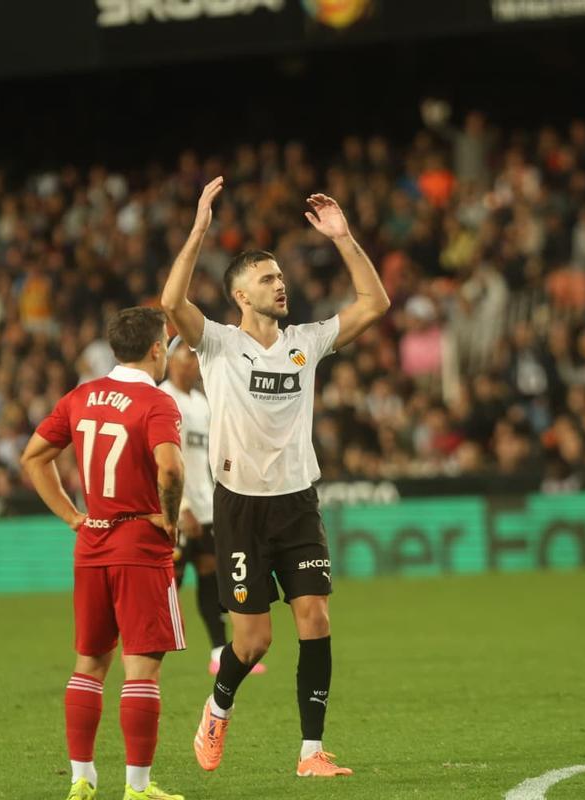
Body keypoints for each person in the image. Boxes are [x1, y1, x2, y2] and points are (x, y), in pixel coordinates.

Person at [161, 177, 390, 778]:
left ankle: (312, 752)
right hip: (240, 508)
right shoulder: (215, 344)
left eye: (281, 276)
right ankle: (218, 707)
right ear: (240, 294)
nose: (280, 284)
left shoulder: (306, 343)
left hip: (297, 503)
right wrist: (199, 229)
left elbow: (375, 305)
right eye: (267, 278)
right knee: (253, 642)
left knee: (315, 617)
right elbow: (171, 303)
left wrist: (344, 238)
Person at [19, 307, 187, 800]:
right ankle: (137, 787)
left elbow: (33, 456)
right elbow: (171, 469)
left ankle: (82, 779)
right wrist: (171, 518)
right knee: (142, 668)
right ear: (156, 348)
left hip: (91, 544)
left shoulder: (81, 396)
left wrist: (73, 516)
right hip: (139, 544)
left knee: (89, 663)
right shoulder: (156, 402)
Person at [159, 337, 268, 678]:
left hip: (207, 506)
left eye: (195, 356)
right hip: (177, 508)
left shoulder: (201, 403)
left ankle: (219, 651)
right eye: (185, 355)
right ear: (170, 359)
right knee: (168, 584)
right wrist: (180, 507)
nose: (193, 362)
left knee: (211, 575)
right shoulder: (163, 399)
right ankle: (144, 653)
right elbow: (160, 461)